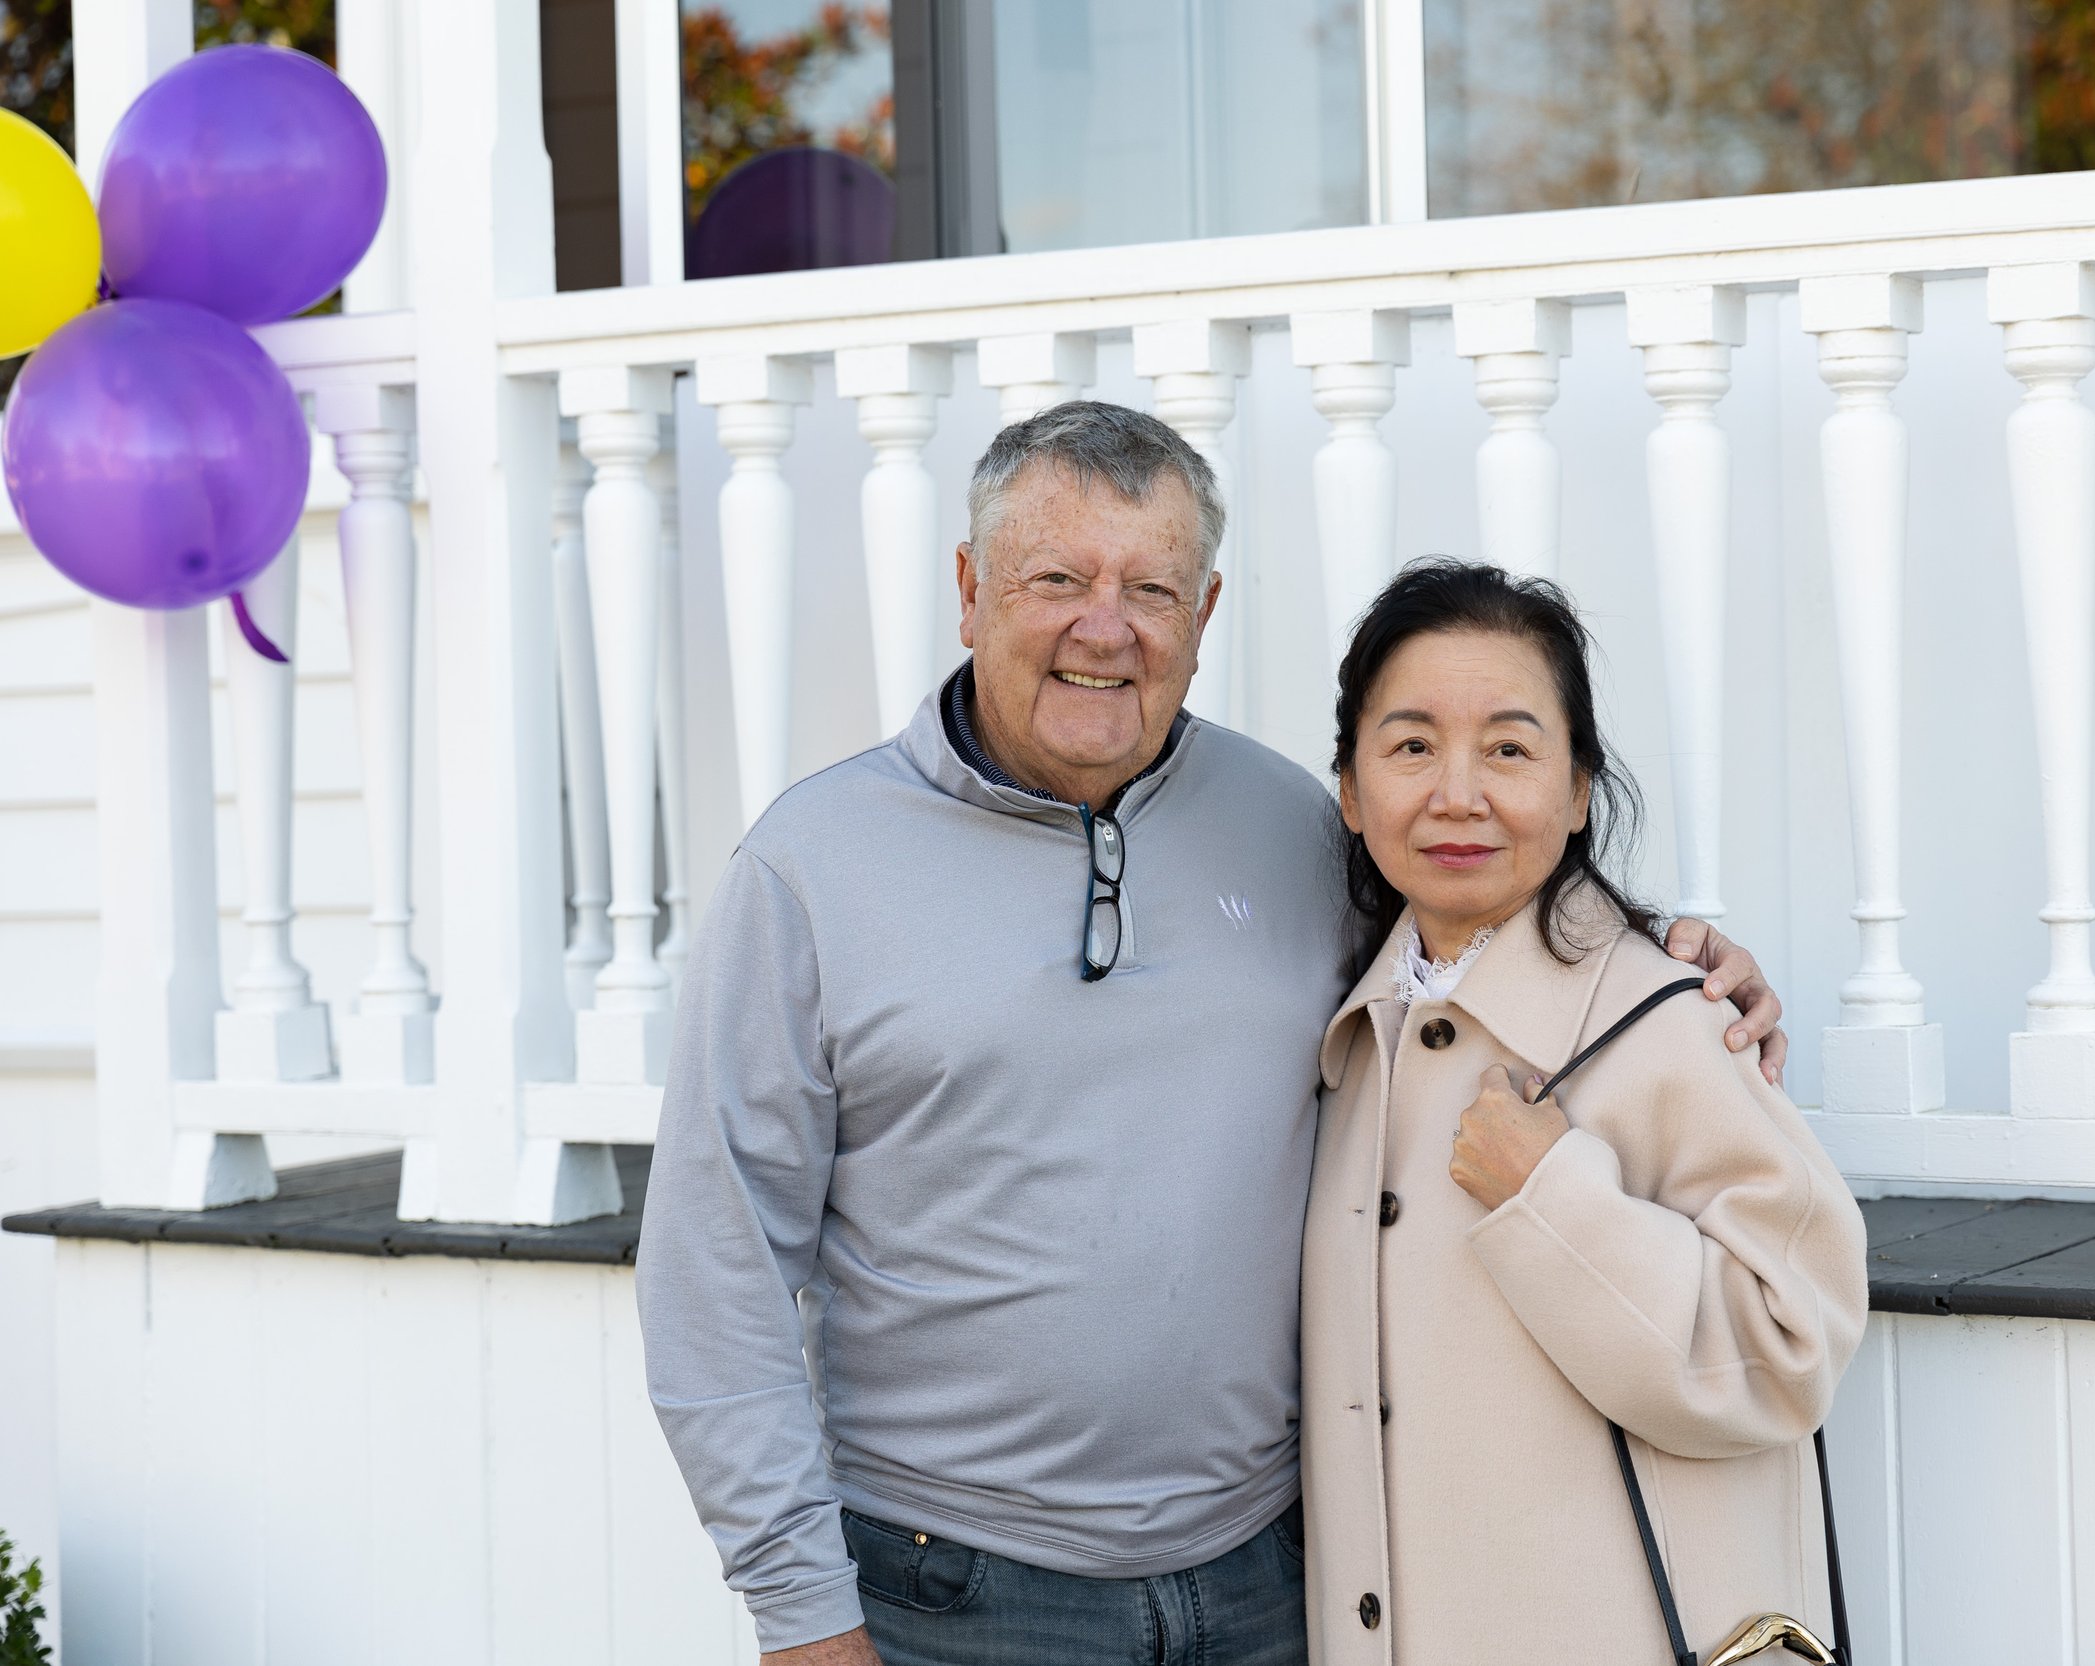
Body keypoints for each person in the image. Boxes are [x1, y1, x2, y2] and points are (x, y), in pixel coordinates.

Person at [636, 404, 1792, 1666]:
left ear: (1205, 613)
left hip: (1274, 1578)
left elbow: (1470, 925)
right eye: (1056, 580)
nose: (1105, 628)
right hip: (952, 1593)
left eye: (1152, 589)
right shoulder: (810, 870)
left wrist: (1664, 957)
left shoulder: (1292, 826)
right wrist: (803, 1615)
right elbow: (715, 1269)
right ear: (968, 592)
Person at [1301, 559, 1868, 1666]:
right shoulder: (1346, 1043)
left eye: (1509, 750)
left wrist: (1553, 1199)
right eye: (1411, 746)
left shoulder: (1673, 1021)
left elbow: (1792, 1347)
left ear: (1576, 793)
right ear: (1351, 792)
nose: (1457, 793)